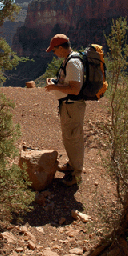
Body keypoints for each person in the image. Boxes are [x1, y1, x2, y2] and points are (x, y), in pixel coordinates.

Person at [45, 34, 86, 186]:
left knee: (74, 139)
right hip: (68, 106)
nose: (54, 54)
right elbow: (69, 83)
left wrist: (54, 87)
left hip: (73, 106)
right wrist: (55, 82)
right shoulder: (68, 60)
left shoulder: (73, 63)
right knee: (69, 138)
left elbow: (75, 89)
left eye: (54, 51)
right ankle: (72, 165)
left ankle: (76, 174)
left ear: (61, 48)